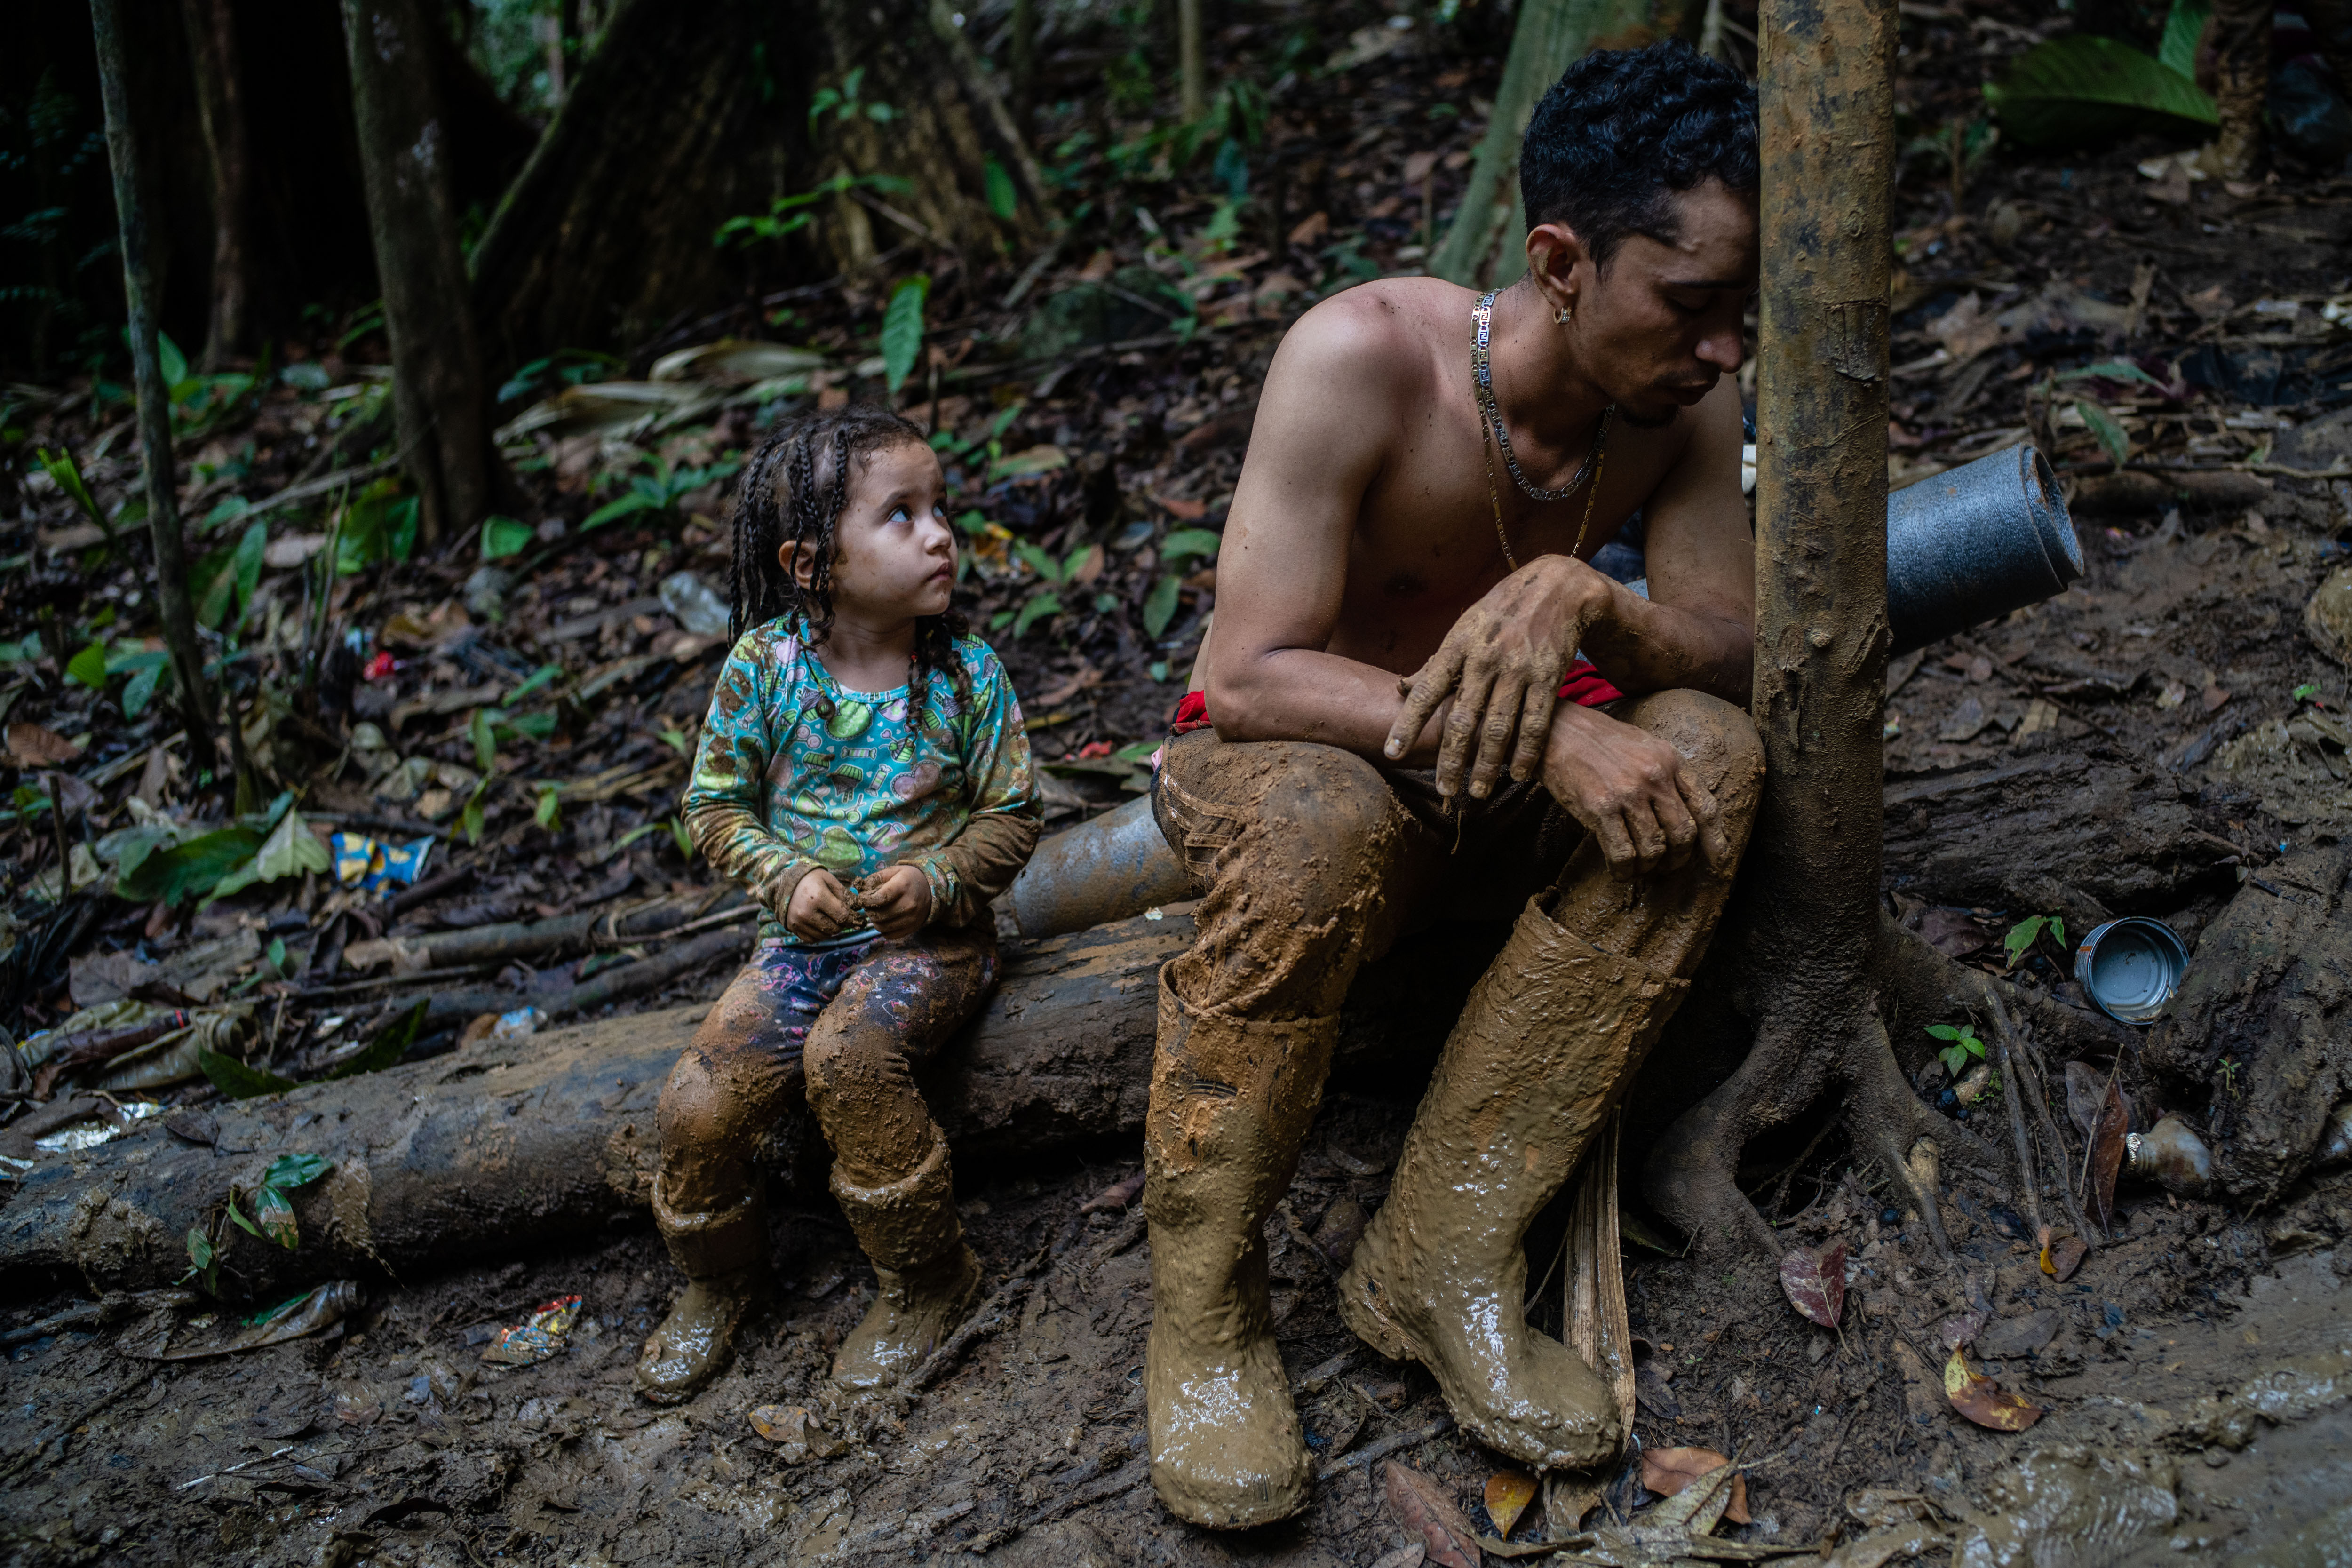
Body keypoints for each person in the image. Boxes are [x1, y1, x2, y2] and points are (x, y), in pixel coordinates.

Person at [1143, 41, 1767, 1527]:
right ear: (1562, 260)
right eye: (1691, 304)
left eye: (1744, 312)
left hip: (1485, 804)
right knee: (1318, 819)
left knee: (1715, 760)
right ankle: (1205, 1313)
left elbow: (1734, 652)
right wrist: (1549, 733)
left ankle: (1442, 1250)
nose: (1726, 348)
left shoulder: (1681, 413)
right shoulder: (1360, 356)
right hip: (1298, 766)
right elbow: (1248, 674)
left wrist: (1591, 601)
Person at [636, 405, 1041, 1403]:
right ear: (811, 562)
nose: (940, 531)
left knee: (851, 1055)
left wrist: (938, 879)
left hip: (936, 945)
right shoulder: (764, 671)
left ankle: (928, 1277)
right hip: (800, 950)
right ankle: (718, 1280)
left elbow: (1015, 813)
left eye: (939, 506)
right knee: (694, 1101)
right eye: (900, 515)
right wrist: (786, 877)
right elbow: (716, 805)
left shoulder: (967, 677)